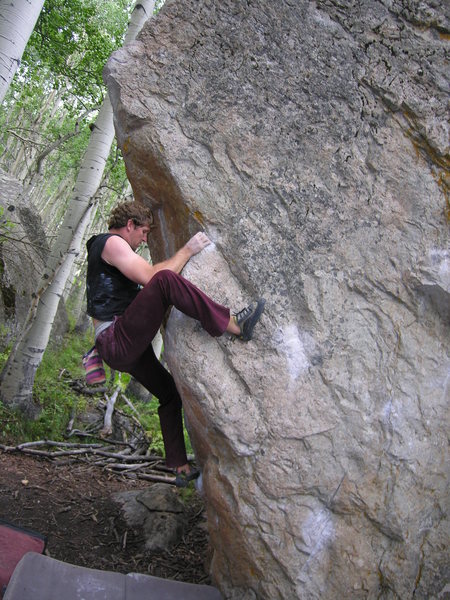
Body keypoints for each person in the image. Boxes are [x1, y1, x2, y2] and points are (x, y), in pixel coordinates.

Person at [86, 201, 265, 486]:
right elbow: (152, 278)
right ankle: (233, 324)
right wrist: (188, 249)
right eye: (143, 232)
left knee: (169, 393)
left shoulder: (105, 250)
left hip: (121, 347)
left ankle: (179, 468)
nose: (144, 239)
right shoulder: (112, 243)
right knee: (166, 281)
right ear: (129, 225)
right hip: (116, 340)